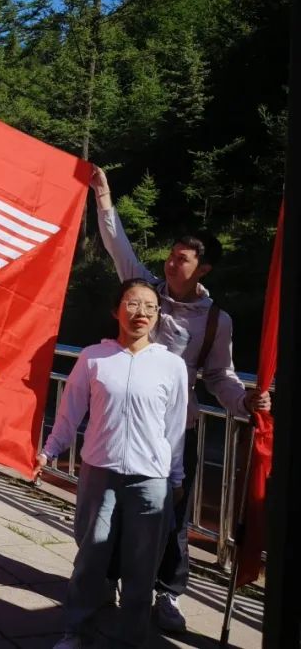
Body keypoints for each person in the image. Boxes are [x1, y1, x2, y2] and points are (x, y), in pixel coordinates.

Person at [91, 166, 272, 632]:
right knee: (116, 511)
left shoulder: (216, 321)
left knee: (171, 518)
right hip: (126, 423)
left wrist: (244, 403)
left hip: (176, 434)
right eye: (171, 256)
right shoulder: (145, 291)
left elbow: (220, 377)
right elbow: (118, 247)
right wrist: (105, 198)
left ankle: (167, 594)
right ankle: (110, 583)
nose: (172, 264)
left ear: (203, 269)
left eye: (183, 259)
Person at [35, 278, 188, 649]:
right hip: (99, 473)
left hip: (150, 480)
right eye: (133, 304)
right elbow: (70, 414)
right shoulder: (93, 358)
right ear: (116, 310)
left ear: (158, 316)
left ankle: (132, 638)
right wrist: (49, 451)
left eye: (151, 307)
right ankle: (75, 631)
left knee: (141, 568)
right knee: (90, 558)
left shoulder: (171, 365)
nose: (142, 313)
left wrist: (177, 475)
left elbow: (175, 428)